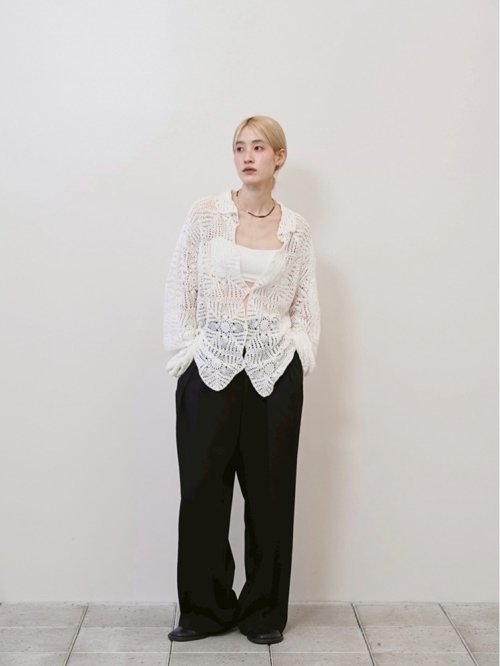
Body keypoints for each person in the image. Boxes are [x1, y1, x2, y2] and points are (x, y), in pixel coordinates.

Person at [163, 115, 320, 645]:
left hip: (274, 373)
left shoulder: (297, 229)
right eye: (239, 147)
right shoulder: (205, 215)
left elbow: (305, 304)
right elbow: (180, 284)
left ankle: (263, 614)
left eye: (258, 147)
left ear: (279, 157)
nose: (247, 156)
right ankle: (204, 611)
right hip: (210, 367)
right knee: (202, 494)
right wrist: (186, 352)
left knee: (271, 497)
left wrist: (298, 353)